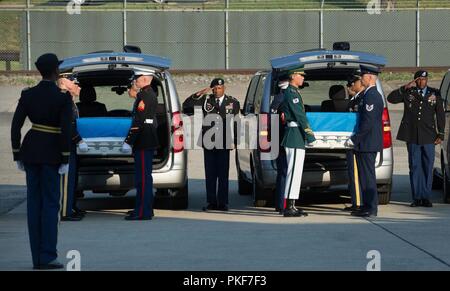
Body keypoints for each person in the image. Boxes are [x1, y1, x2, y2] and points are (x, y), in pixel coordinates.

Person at [11, 53, 72, 269]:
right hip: (52, 153)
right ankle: (47, 255)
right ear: (55, 71)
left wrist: (17, 152)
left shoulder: (28, 95)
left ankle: (36, 257)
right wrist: (66, 157)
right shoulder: (62, 97)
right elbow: (66, 130)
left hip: (31, 150)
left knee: (34, 205)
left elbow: (16, 125)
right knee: (50, 205)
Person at [387, 70, 444, 207]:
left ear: (427, 80)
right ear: (415, 80)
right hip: (412, 135)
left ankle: (426, 197)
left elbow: (440, 114)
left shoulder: (434, 93)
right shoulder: (409, 92)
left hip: (429, 136)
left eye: (424, 79)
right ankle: (417, 197)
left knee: (427, 166)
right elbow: (391, 99)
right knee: (415, 166)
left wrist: (440, 133)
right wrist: (403, 88)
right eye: (418, 79)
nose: (421, 82)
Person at [182, 78, 240, 211]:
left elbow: (236, 123)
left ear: (224, 88)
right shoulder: (206, 100)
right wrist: (197, 95)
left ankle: (223, 202)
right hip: (208, 142)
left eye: (219, 88)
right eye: (214, 88)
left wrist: (236, 140)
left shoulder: (232, 102)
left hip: (224, 142)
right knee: (210, 174)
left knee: (223, 174)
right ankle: (211, 202)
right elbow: (186, 106)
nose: (217, 91)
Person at [346, 65, 384, 217]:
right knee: (364, 176)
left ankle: (371, 207)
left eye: (362, 76)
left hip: (367, 143)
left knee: (368, 177)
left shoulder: (372, 96)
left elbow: (367, 123)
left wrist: (355, 139)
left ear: (369, 77)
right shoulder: (367, 95)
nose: (361, 79)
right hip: (364, 143)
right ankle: (366, 205)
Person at [121, 70, 159, 220]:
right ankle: (143, 207)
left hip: (143, 140)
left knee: (143, 179)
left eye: (136, 78)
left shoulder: (145, 95)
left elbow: (138, 121)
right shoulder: (147, 93)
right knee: (143, 178)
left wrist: (128, 141)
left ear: (144, 79)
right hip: (146, 139)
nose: (135, 81)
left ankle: (143, 212)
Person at [280, 68, 315, 217]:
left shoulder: (294, 92)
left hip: (296, 136)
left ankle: (292, 204)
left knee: (296, 173)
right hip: (294, 136)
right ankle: (289, 206)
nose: (302, 78)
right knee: (293, 172)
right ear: (293, 76)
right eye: (301, 75)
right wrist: (310, 135)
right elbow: (300, 116)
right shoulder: (291, 93)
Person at [57, 76, 89, 221]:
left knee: (72, 180)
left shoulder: (68, 100)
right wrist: (79, 140)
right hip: (66, 145)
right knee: (66, 182)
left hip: (71, 145)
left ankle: (70, 207)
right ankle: (65, 212)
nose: (78, 87)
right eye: (74, 83)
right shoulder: (63, 100)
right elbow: (68, 125)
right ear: (63, 82)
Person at [344, 75, 365, 212]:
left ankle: (358, 203)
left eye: (353, 83)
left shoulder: (362, 98)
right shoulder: (356, 98)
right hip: (353, 141)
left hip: (358, 142)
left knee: (356, 174)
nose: (350, 86)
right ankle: (356, 201)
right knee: (353, 173)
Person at [270, 74, 290, 214]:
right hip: (284, 140)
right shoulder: (284, 97)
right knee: (284, 172)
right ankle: (283, 205)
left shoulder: (277, 98)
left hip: (278, 139)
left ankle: (280, 204)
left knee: (282, 172)